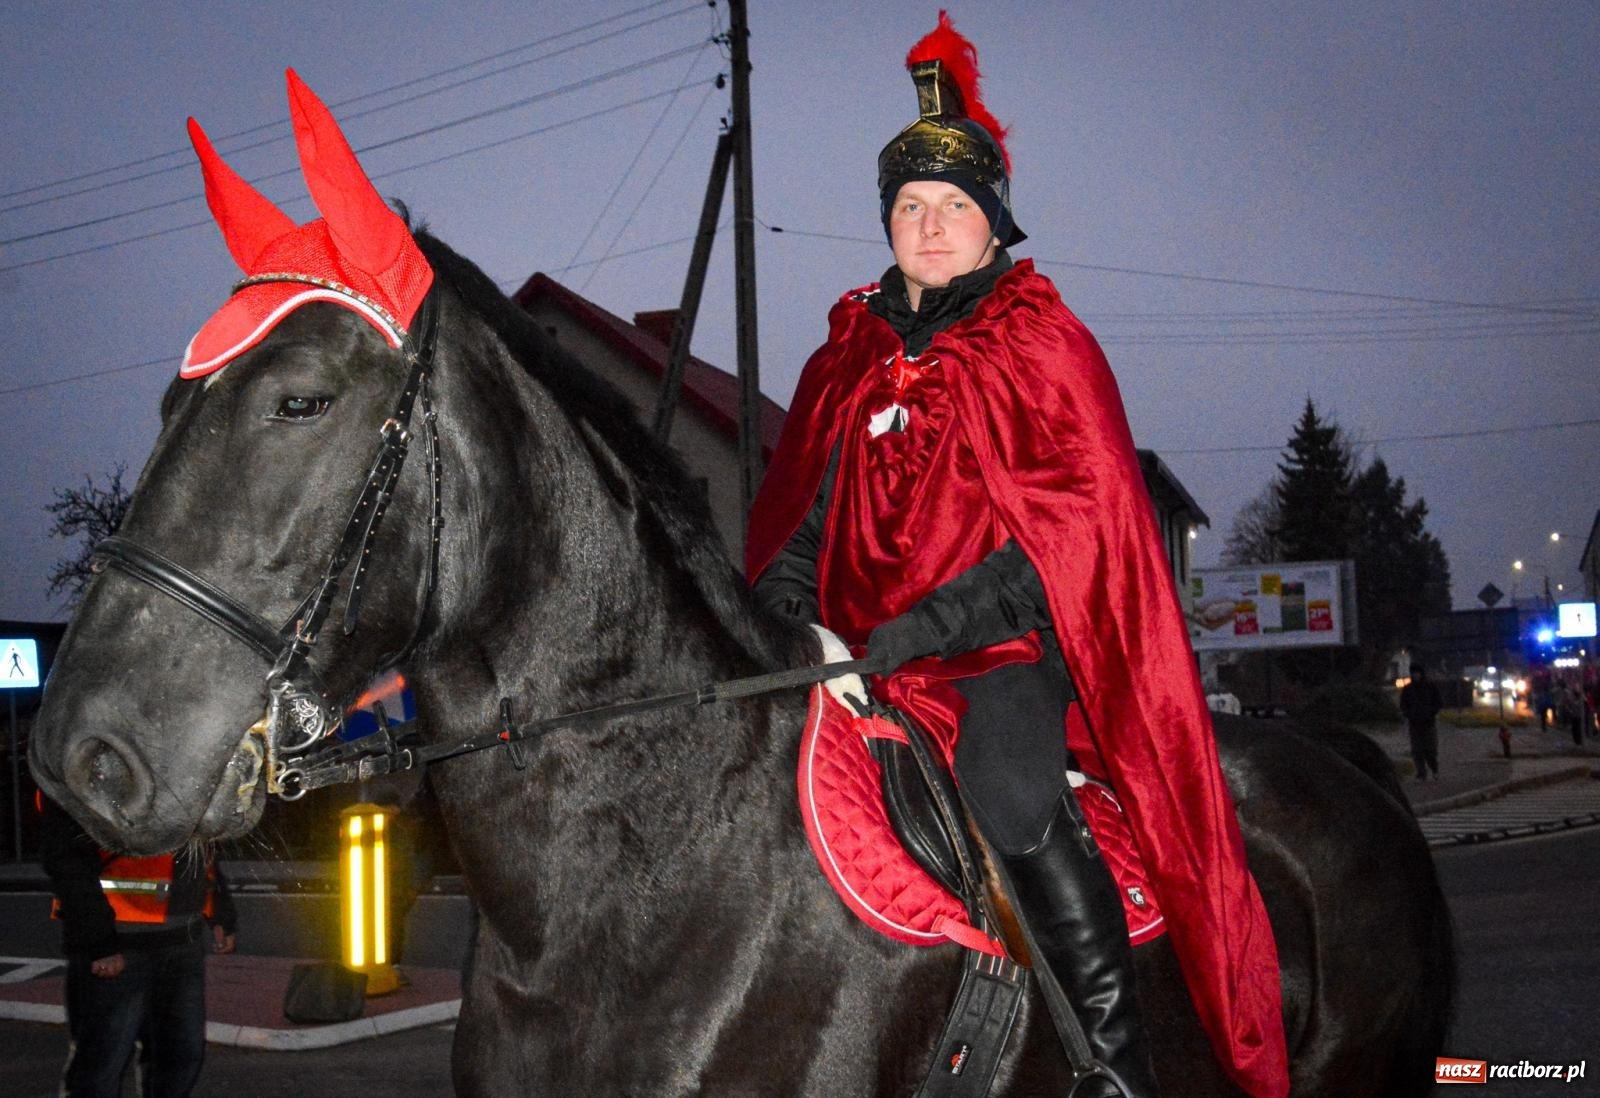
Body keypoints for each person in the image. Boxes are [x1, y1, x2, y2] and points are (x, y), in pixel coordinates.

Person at [746, 14, 1288, 1097]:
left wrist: (922, 631)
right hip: (850, 659)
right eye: (909, 207)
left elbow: (1073, 543)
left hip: (998, 658)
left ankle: (1107, 1058)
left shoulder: (1040, 343)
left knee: (1007, 788)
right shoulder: (844, 349)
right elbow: (801, 514)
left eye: (953, 208)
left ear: (993, 223)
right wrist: (793, 615)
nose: (929, 227)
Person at [39, 795, 236, 1098]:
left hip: (182, 942)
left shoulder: (178, 764)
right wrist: (98, 943)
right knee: (100, 1067)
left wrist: (220, 911)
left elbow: (201, 847)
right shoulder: (82, 761)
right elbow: (67, 859)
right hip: (119, 945)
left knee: (180, 1057)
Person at [1399, 664, 1444, 780]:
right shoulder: (1408, 689)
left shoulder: (1430, 687)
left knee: (1430, 749)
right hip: (1414, 723)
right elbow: (1403, 705)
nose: (1415, 675)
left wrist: (1431, 712)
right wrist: (1408, 714)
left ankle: (1434, 769)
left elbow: (1438, 702)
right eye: (1413, 673)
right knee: (1417, 750)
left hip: (1428, 723)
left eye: (1417, 673)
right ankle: (1421, 772)